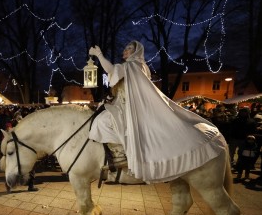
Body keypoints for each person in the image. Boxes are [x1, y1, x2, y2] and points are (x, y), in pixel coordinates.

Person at [88, 40, 227, 182]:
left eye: (129, 48)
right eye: (125, 48)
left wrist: (99, 54)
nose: (125, 50)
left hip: (131, 108)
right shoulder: (137, 67)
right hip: (125, 105)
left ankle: (121, 154)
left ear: (136, 52)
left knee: (102, 121)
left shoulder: (132, 65)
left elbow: (111, 71)